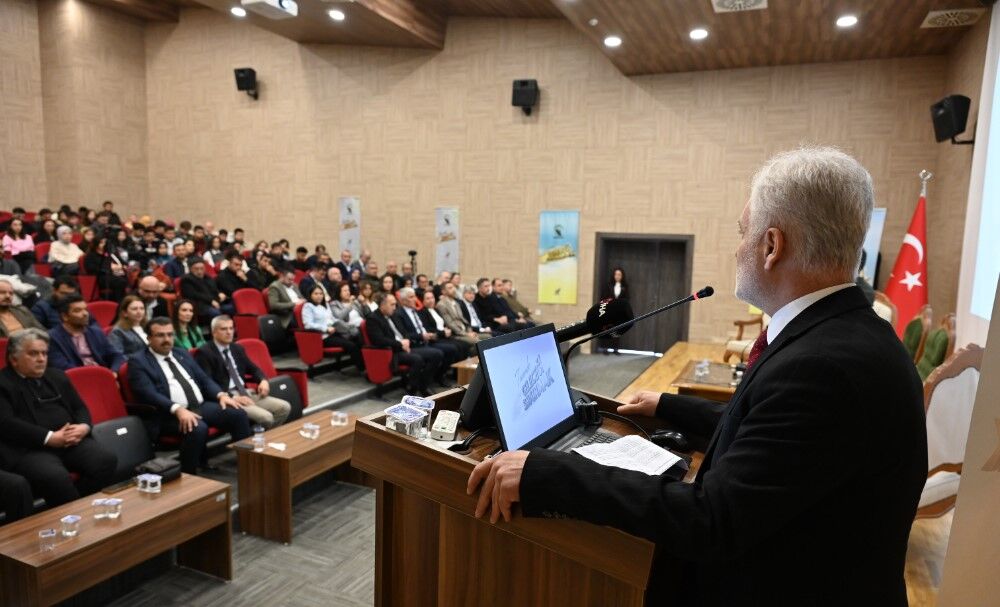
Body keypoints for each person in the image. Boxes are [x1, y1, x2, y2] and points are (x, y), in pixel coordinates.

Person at [467, 147, 928, 606]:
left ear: (772, 246)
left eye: (742, 232)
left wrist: (551, 471)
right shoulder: (849, 333)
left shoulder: (822, 367)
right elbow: (765, 431)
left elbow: (714, 520)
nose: (736, 247)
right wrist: (667, 406)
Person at [0, 328, 117, 506]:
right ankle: (72, 517)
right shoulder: (3, 383)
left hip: (70, 440)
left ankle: (86, 505)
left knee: (105, 460)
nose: (41, 359)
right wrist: (49, 438)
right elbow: (7, 424)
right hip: (30, 449)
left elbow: (80, 408)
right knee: (55, 477)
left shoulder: (57, 376)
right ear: (14, 359)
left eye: (44, 353)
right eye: (33, 354)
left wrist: (84, 427)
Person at [128, 317, 251, 474]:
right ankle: (188, 474)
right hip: (167, 414)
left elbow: (203, 379)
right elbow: (147, 393)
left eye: (170, 335)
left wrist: (221, 395)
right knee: (198, 428)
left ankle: (248, 464)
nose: (167, 340)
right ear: (149, 338)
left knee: (238, 414)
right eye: (160, 335)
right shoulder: (138, 361)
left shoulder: (181, 353)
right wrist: (177, 409)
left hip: (199, 405)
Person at [194, 316, 291, 429]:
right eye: (224, 329)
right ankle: (259, 439)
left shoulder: (237, 348)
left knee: (284, 407)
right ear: (214, 332)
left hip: (246, 392)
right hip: (227, 398)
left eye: (231, 328)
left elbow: (253, 368)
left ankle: (264, 437)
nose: (229, 332)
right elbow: (207, 384)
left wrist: (263, 380)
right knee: (266, 417)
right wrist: (232, 397)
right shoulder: (204, 353)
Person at [365, 293, 440, 397]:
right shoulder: (373, 319)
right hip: (392, 351)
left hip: (405, 347)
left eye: (395, 304)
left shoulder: (393, 314)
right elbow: (379, 340)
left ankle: (423, 385)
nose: (394, 307)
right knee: (417, 359)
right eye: (392, 304)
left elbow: (403, 332)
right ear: (382, 305)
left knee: (436, 354)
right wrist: (400, 344)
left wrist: (406, 341)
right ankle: (412, 390)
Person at [394, 287, 459, 385]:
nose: (415, 299)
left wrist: (431, 335)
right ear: (403, 300)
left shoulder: (415, 311)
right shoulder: (399, 314)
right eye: (411, 297)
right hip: (415, 344)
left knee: (452, 349)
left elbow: (424, 327)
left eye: (415, 296)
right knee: (437, 354)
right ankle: (423, 384)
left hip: (427, 341)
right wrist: (422, 336)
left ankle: (438, 376)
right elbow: (405, 334)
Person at [47, 295, 125, 373]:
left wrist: (114, 371)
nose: (85, 314)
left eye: (85, 309)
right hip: (76, 379)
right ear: (65, 316)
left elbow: (116, 355)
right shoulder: (53, 338)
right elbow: (61, 366)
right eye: (78, 311)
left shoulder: (95, 332)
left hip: (102, 375)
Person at [300, 285, 364, 371]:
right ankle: (363, 369)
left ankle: (366, 366)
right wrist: (325, 329)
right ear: (310, 295)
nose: (319, 296)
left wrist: (344, 325)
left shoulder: (325, 305)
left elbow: (332, 318)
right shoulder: (308, 306)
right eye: (316, 294)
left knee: (358, 338)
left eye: (321, 293)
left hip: (335, 331)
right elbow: (308, 324)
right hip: (322, 336)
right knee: (351, 345)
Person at [419, 289, 476, 356]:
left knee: (464, 345)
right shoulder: (422, 312)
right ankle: (454, 366)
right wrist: (443, 332)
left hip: (445, 336)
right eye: (428, 298)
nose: (431, 300)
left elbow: (444, 323)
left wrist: (447, 329)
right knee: (455, 347)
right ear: (423, 301)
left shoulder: (436, 310)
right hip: (436, 338)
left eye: (432, 297)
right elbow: (429, 329)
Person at [82, 237, 127, 301]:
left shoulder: (108, 254)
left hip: (111, 275)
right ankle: (119, 302)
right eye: (101, 242)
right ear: (96, 244)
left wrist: (120, 267)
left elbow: (120, 263)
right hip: (99, 277)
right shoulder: (90, 255)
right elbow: (90, 269)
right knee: (120, 281)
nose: (104, 244)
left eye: (105, 242)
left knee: (123, 278)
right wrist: (109, 268)